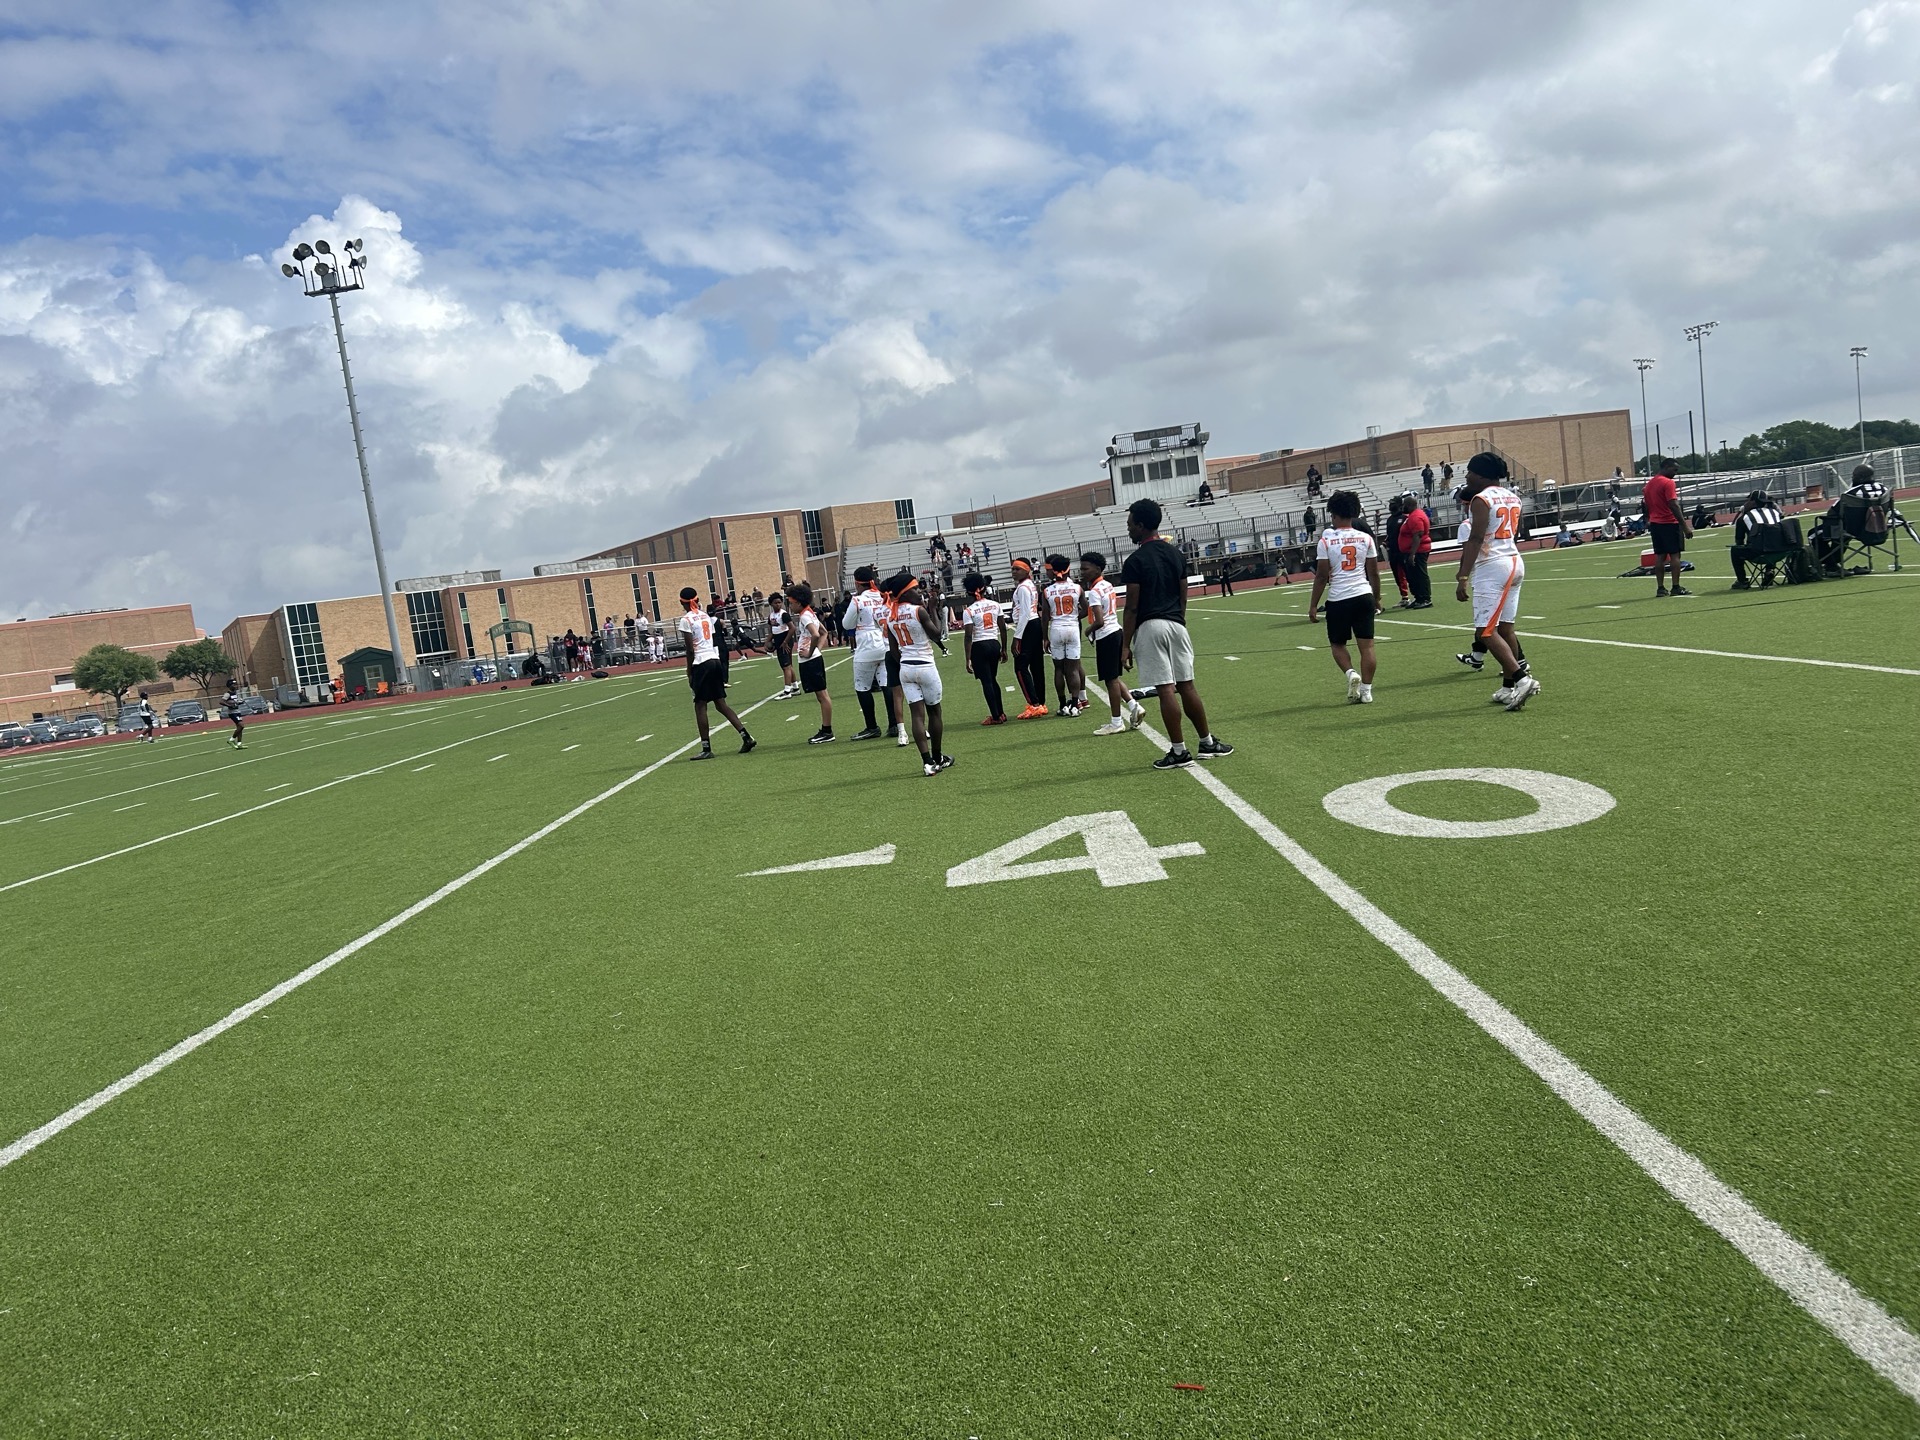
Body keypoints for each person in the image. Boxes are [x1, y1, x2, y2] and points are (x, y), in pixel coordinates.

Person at [1120, 498, 1232, 769]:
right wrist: (1179, 620)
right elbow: (1184, 595)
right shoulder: (1176, 554)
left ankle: (1179, 751)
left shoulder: (1135, 560)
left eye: (1131, 525)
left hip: (1151, 626)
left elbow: (1132, 607)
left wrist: (1125, 644)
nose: (1129, 530)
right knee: (1187, 685)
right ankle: (1207, 742)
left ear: (1142, 525)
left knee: (1165, 689)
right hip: (1177, 624)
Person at [1454, 453, 1540, 710]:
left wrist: (1463, 576)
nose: (1467, 477)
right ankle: (1508, 687)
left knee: (1485, 631)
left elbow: (1476, 538)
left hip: (1493, 566)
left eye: (1470, 472)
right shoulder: (1513, 496)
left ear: (1481, 474)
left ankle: (1522, 680)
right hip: (1514, 561)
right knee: (1505, 628)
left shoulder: (1481, 499)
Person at [1307, 489, 1382, 704]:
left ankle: (1351, 673)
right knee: (1367, 646)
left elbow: (1321, 576)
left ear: (1333, 514)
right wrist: (1376, 597)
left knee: (1337, 644)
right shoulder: (1366, 538)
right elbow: (1374, 572)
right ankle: (1367, 691)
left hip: (1339, 597)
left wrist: (1313, 605)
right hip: (1363, 593)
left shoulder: (1326, 541)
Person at [881, 574, 954, 777]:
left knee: (916, 716)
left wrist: (905, 661)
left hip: (906, 667)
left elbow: (894, 650)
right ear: (906, 592)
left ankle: (927, 762)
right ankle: (938, 757)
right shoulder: (918, 610)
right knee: (935, 713)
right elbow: (937, 634)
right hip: (925, 665)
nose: (919, 592)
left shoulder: (890, 615)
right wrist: (932, 608)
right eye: (915, 589)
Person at [677, 588, 754, 759]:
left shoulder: (685, 620)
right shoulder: (705, 616)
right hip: (714, 659)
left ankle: (706, 748)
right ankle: (745, 736)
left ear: (682, 602)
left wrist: (689, 670)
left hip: (701, 663)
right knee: (721, 704)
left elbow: (690, 649)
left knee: (700, 705)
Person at [1081, 552, 1141, 736]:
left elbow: (1099, 621)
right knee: (1113, 677)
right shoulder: (1107, 585)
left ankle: (1116, 722)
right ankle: (1134, 706)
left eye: (1086, 569)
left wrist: (1088, 631)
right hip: (1116, 631)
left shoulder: (1095, 591)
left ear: (1098, 569)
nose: (1082, 572)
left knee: (1110, 680)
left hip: (1106, 635)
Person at [842, 565, 902, 741]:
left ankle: (871, 727)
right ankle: (893, 724)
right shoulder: (883, 596)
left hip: (866, 646)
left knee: (862, 687)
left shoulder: (858, 600)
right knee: (886, 685)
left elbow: (847, 625)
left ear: (857, 583)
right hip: (885, 643)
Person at [784, 582, 834, 744]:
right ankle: (826, 730)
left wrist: (811, 652)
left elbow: (815, 634)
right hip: (811, 659)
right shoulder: (809, 613)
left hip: (810, 661)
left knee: (822, 695)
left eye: (791, 603)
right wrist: (817, 650)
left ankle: (827, 731)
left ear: (798, 602)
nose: (790, 606)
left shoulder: (806, 615)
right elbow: (823, 632)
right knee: (821, 695)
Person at [1042, 554, 1088, 716]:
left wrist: (1045, 637)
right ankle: (1075, 705)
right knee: (1073, 669)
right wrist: (1075, 617)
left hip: (1056, 628)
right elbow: (1086, 609)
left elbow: (1045, 616)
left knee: (1059, 670)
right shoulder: (1077, 588)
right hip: (1072, 628)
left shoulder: (1047, 591)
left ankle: (1063, 705)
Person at [961, 573, 1007, 725]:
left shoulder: (969, 610)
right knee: (993, 680)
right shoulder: (995, 605)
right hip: (994, 643)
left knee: (986, 682)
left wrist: (967, 658)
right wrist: (1004, 648)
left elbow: (968, 636)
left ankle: (995, 716)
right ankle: (1000, 713)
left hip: (979, 646)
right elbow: (1002, 628)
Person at [1643, 458, 1692, 597]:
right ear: (1665, 467)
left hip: (1655, 524)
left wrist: (1649, 518)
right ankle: (1675, 587)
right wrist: (1684, 526)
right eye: (1674, 470)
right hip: (1669, 523)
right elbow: (1673, 504)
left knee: (1660, 556)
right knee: (1675, 555)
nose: (1675, 473)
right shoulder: (1668, 482)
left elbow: (1646, 504)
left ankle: (1660, 588)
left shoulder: (1649, 484)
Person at [1008, 558, 1048, 718]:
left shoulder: (1023, 588)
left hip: (1028, 625)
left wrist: (1017, 637)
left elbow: (1024, 613)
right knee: (1037, 665)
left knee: (1020, 666)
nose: (1014, 572)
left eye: (1017, 569)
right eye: (1012, 569)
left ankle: (1034, 703)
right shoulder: (1029, 585)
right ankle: (1040, 702)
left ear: (1026, 570)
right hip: (1034, 623)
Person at [1729, 491, 1786, 589]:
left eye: (1749, 500)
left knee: (1735, 550)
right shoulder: (1775, 513)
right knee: (1771, 541)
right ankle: (1769, 570)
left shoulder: (1744, 518)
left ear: (1753, 502)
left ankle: (1742, 581)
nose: (1746, 502)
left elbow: (1739, 542)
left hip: (1759, 553)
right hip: (1780, 552)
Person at [1397, 492, 1433, 607]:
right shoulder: (1413, 515)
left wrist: (1412, 554)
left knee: (1420, 574)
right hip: (1413, 550)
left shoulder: (1416, 517)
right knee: (1413, 575)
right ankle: (1419, 598)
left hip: (1418, 550)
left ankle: (1425, 599)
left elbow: (1418, 535)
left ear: (1409, 505)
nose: (1403, 507)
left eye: (1405, 505)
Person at [1383, 495, 1412, 607]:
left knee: (1408, 573)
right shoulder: (1390, 519)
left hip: (1403, 550)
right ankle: (1404, 596)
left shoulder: (1404, 518)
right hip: (1393, 551)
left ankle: (1417, 595)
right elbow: (1390, 535)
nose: (1391, 506)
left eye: (1393, 503)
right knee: (1397, 575)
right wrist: (1387, 542)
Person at [767, 591, 797, 698]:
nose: (778, 604)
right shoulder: (771, 616)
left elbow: (792, 628)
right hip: (778, 640)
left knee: (785, 667)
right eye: (776, 603)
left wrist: (785, 642)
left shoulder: (783, 614)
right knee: (788, 665)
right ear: (771, 604)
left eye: (780, 602)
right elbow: (772, 630)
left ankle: (787, 691)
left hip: (785, 640)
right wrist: (768, 641)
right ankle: (795, 687)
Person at [221, 682, 247, 748]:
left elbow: (235, 702)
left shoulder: (235, 693)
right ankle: (231, 740)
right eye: (233, 685)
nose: (235, 686)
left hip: (237, 711)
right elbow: (221, 701)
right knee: (241, 726)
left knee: (239, 728)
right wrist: (229, 705)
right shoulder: (227, 694)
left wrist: (239, 702)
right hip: (233, 713)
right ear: (230, 686)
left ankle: (239, 743)